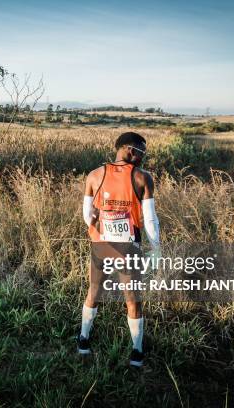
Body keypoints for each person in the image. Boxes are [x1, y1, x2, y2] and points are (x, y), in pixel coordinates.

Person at [77, 131, 160, 367]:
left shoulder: (94, 175)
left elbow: (86, 216)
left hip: (101, 246)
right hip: (129, 247)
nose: (143, 158)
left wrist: (99, 222)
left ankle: (83, 340)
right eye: (142, 153)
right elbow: (150, 220)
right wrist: (156, 249)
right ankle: (137, 352)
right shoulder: (143, 178)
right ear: (130, 150)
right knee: (132, 299)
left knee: (94, 291)